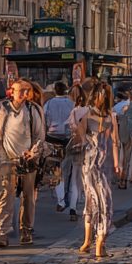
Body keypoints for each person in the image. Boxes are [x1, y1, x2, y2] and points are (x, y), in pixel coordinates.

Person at [0, 79, 47, 248]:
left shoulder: (33, 110)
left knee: (28, 196)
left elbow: (39, 135)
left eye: (27, 90)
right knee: (5, 195)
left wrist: (33, 152)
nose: (24, 94)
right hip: (6, 158)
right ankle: (1, 233)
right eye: (21, 91)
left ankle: (26, 230)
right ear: (11, 91)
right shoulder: (0, 109)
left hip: (28, 159)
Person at [73, 78, 120, 258]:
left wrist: (117, 163)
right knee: (96, 201)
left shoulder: (108, 116)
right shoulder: (91, 115)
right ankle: (91, 241)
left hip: (100, 164)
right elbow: (81, 136)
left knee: (101, 201)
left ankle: (97, 241)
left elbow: (114, 142)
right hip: (92, 163)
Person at [44, 80, 81, 220]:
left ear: (55, 90)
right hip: (69, 138)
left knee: (57, 170)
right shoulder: (72, 103)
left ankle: (60, 200)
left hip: (53, 137)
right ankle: (72, 206)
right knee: (72, 172)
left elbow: (45, 118)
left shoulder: (49, 103)